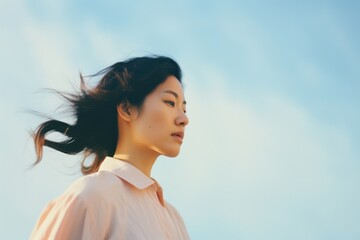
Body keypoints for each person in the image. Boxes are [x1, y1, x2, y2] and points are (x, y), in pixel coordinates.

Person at [30, 55, 190, 239]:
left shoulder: (175, 220)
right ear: (126, 109)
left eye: (184, 109)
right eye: (170, 103)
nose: (184, 119)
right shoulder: (91, 196)